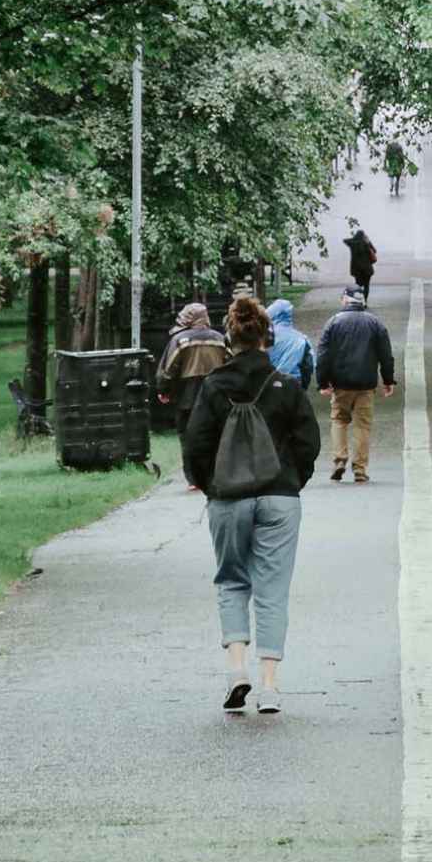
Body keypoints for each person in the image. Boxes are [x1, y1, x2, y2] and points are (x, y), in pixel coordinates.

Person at [182, 297, 322, 715]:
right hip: (280, 497)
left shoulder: (214, 385)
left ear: (231, 337)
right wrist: (292, 482)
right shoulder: (286, 385)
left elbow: (196, 444)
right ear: (267, 336)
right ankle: (270, 685)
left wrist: (210, 487)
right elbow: (308, 443)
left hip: (228, 499)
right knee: (272, 588)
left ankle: (236, 669)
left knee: (232, 581)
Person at [316, 287, 396, 483]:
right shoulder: (375, 323)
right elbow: (386, 355)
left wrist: (323, 382)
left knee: (339, 420)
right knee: (363, 425)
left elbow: (323, 355)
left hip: (341, 383)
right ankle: (360, 469)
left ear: (346, 300)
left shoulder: (333, 323)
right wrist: (388, 380)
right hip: (366, 384)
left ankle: (339, 460)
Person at [156, 302, 230, 438]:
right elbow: (230, 365)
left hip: (187, 397)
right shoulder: (220, 339)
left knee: (187, 436)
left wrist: (164, 390)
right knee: (215, 437)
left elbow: (168, 370)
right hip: (216, 397)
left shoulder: (179, 340)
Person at [266, 298, 315, 386]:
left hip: (268, 383)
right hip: (294, 383)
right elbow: (310, 364)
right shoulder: (301, 338)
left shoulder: (263, 337)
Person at [343, 228, 377, 302]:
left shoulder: (352, 244)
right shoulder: (366, 243)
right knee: (366, 286)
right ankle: (365, 301)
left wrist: (354, 238)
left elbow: (345, 240)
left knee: (358, 286)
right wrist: (368, 241)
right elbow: (374, 251)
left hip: (357, 270)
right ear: (363, 236)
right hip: (367, 269)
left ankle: (358, 301)